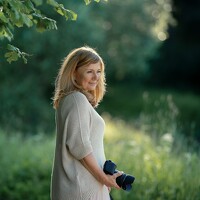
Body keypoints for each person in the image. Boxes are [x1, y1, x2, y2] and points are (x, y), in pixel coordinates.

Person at [51, 46, 122, 200]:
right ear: (74, 73)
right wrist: (103, 178)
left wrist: (106, 177)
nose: (96, 77)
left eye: (98, 71)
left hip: (84, 186)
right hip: (82, 189)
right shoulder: (76, 99)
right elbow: (79, 146)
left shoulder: (70, 100)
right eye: (89, 71)